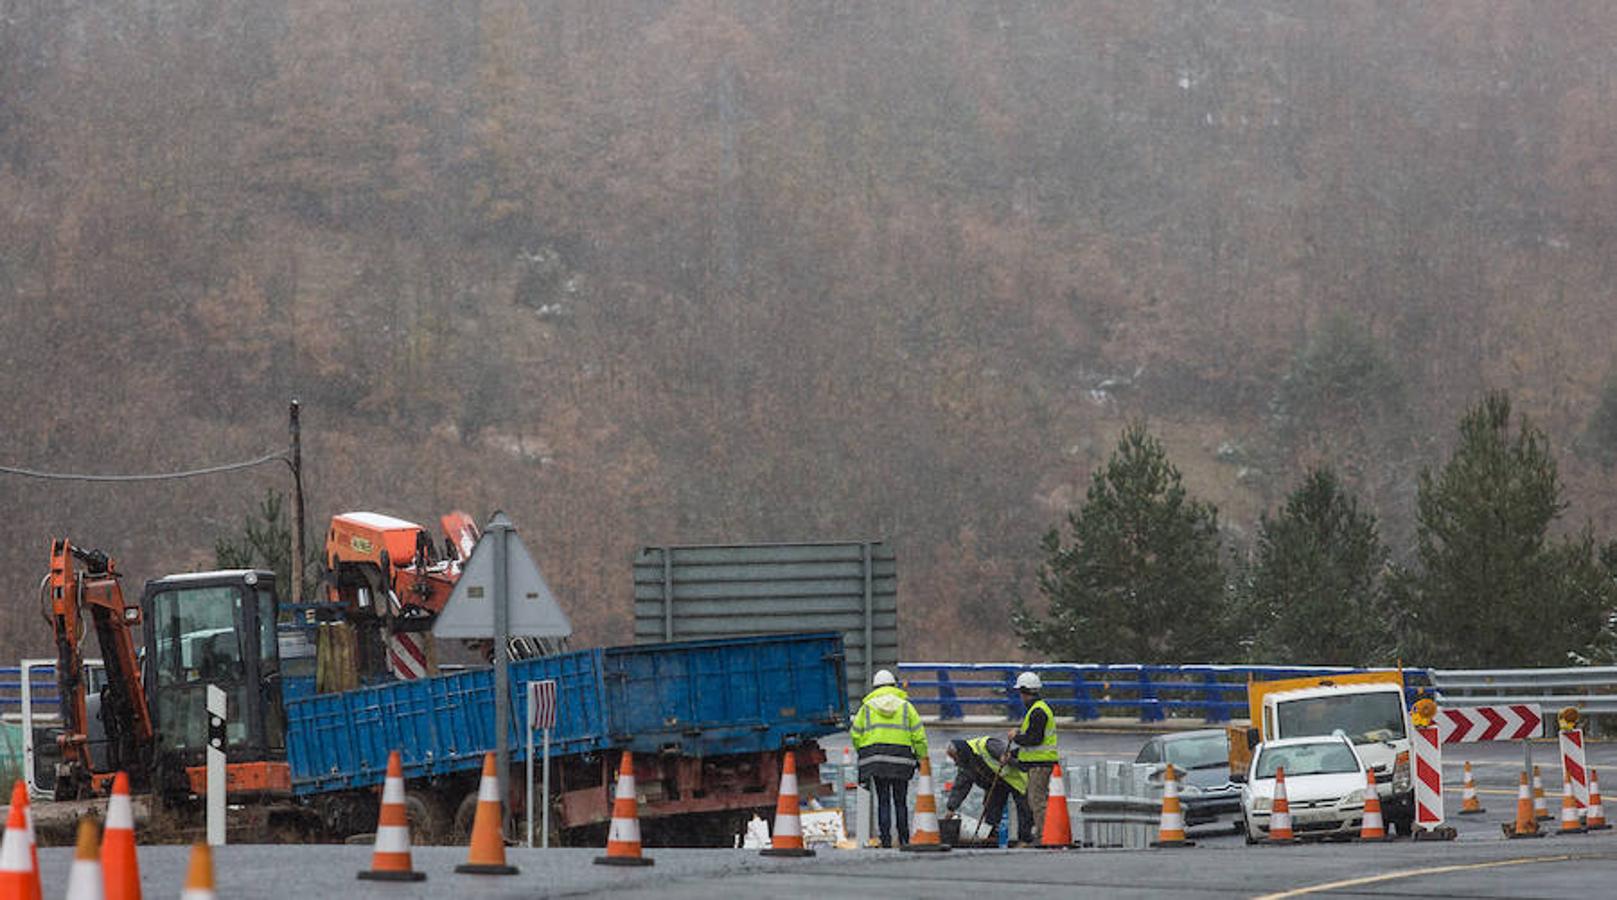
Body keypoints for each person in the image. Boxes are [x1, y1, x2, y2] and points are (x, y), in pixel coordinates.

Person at [850, 668, 929, 848]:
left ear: (874, 687)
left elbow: (855, 734)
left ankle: (885, 840)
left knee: (883, 800)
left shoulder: (866, 708)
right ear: (894, 685)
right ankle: (904, 839)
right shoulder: (906, 706)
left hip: (876, 761)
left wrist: (863, 751)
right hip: (902, 760)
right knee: (901, 801)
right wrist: (922, 757)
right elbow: (919, 736)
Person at [944, 736, 1035, 845]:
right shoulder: (966, 764)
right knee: (992, 810)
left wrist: (1006, 758)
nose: (955, 762)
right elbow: (961, 787)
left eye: (955, 758)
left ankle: (1025, 839)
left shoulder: (985, 745)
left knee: (1024, 809)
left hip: (1017, 780)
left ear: (960, 753)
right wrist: (951, 807)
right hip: (997, 785)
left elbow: (1007, 752)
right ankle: (991, 838)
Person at [1008, 670, 1058, 840]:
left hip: (1040, 764)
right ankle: (1044, 833)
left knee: (1037, 802)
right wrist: (1012, 754)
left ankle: (1045, 835)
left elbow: (1034, 739)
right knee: (1037, 800)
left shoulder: (1038, 712)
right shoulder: (1037, 709)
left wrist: (1016, 737)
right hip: (1038, 763)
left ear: (1024, 692)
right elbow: (1030, 744)